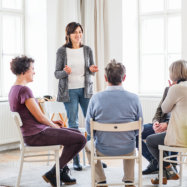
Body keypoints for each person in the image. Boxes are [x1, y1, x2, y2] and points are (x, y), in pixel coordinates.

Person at [9, 56, 86, 187]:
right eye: (32, 69)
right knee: (81, 139)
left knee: (76, 132)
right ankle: (55, 172)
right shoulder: (24, 90)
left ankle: (59, 171)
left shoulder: (14, 89)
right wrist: (54, 127)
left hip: (33, 133)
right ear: (23, 71)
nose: (34, 72)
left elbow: (34, 117)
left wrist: (53, 123)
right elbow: (40, 117)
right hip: (35, 135)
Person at [85, 60, 143, 187]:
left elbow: (89, 130)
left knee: (87, 145)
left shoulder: (95, 98)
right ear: (124, 77)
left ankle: (100, 180)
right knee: (131, 141)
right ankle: (129, 180)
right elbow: (140, 128)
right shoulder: (134, 98)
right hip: (127, 149)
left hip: (102, 149)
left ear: (105, 78)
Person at [54, 22, 98, 171]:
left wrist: (92, 70)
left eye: (80, 32)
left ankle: (94, 159)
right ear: (68, 35)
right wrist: (65, 72)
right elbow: (57, 74)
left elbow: (90, 70)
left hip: (86, 90)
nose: (78, 35)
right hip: (69, 91)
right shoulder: (61, 51)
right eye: (75, 33)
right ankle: (76, 160)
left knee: (91, 124)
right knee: (72, 126)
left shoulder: (87, 50)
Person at [146, 60, 187, 185]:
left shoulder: (175, 88)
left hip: (179, 135)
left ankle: (168, 168)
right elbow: (160, 112)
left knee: (151, 140)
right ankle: (164, 173)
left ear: (173, 74)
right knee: (149, 132)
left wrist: (171, 90)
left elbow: (164, 108)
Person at [136, 86, 177, 175]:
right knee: (135, 132)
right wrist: (156, 122)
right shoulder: (168, 89)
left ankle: (172, 165)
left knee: (172, 134)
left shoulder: (184, 90)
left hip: (175, 126)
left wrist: (167, 125)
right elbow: (159, 110)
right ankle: (154, 162)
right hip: (161, 123)